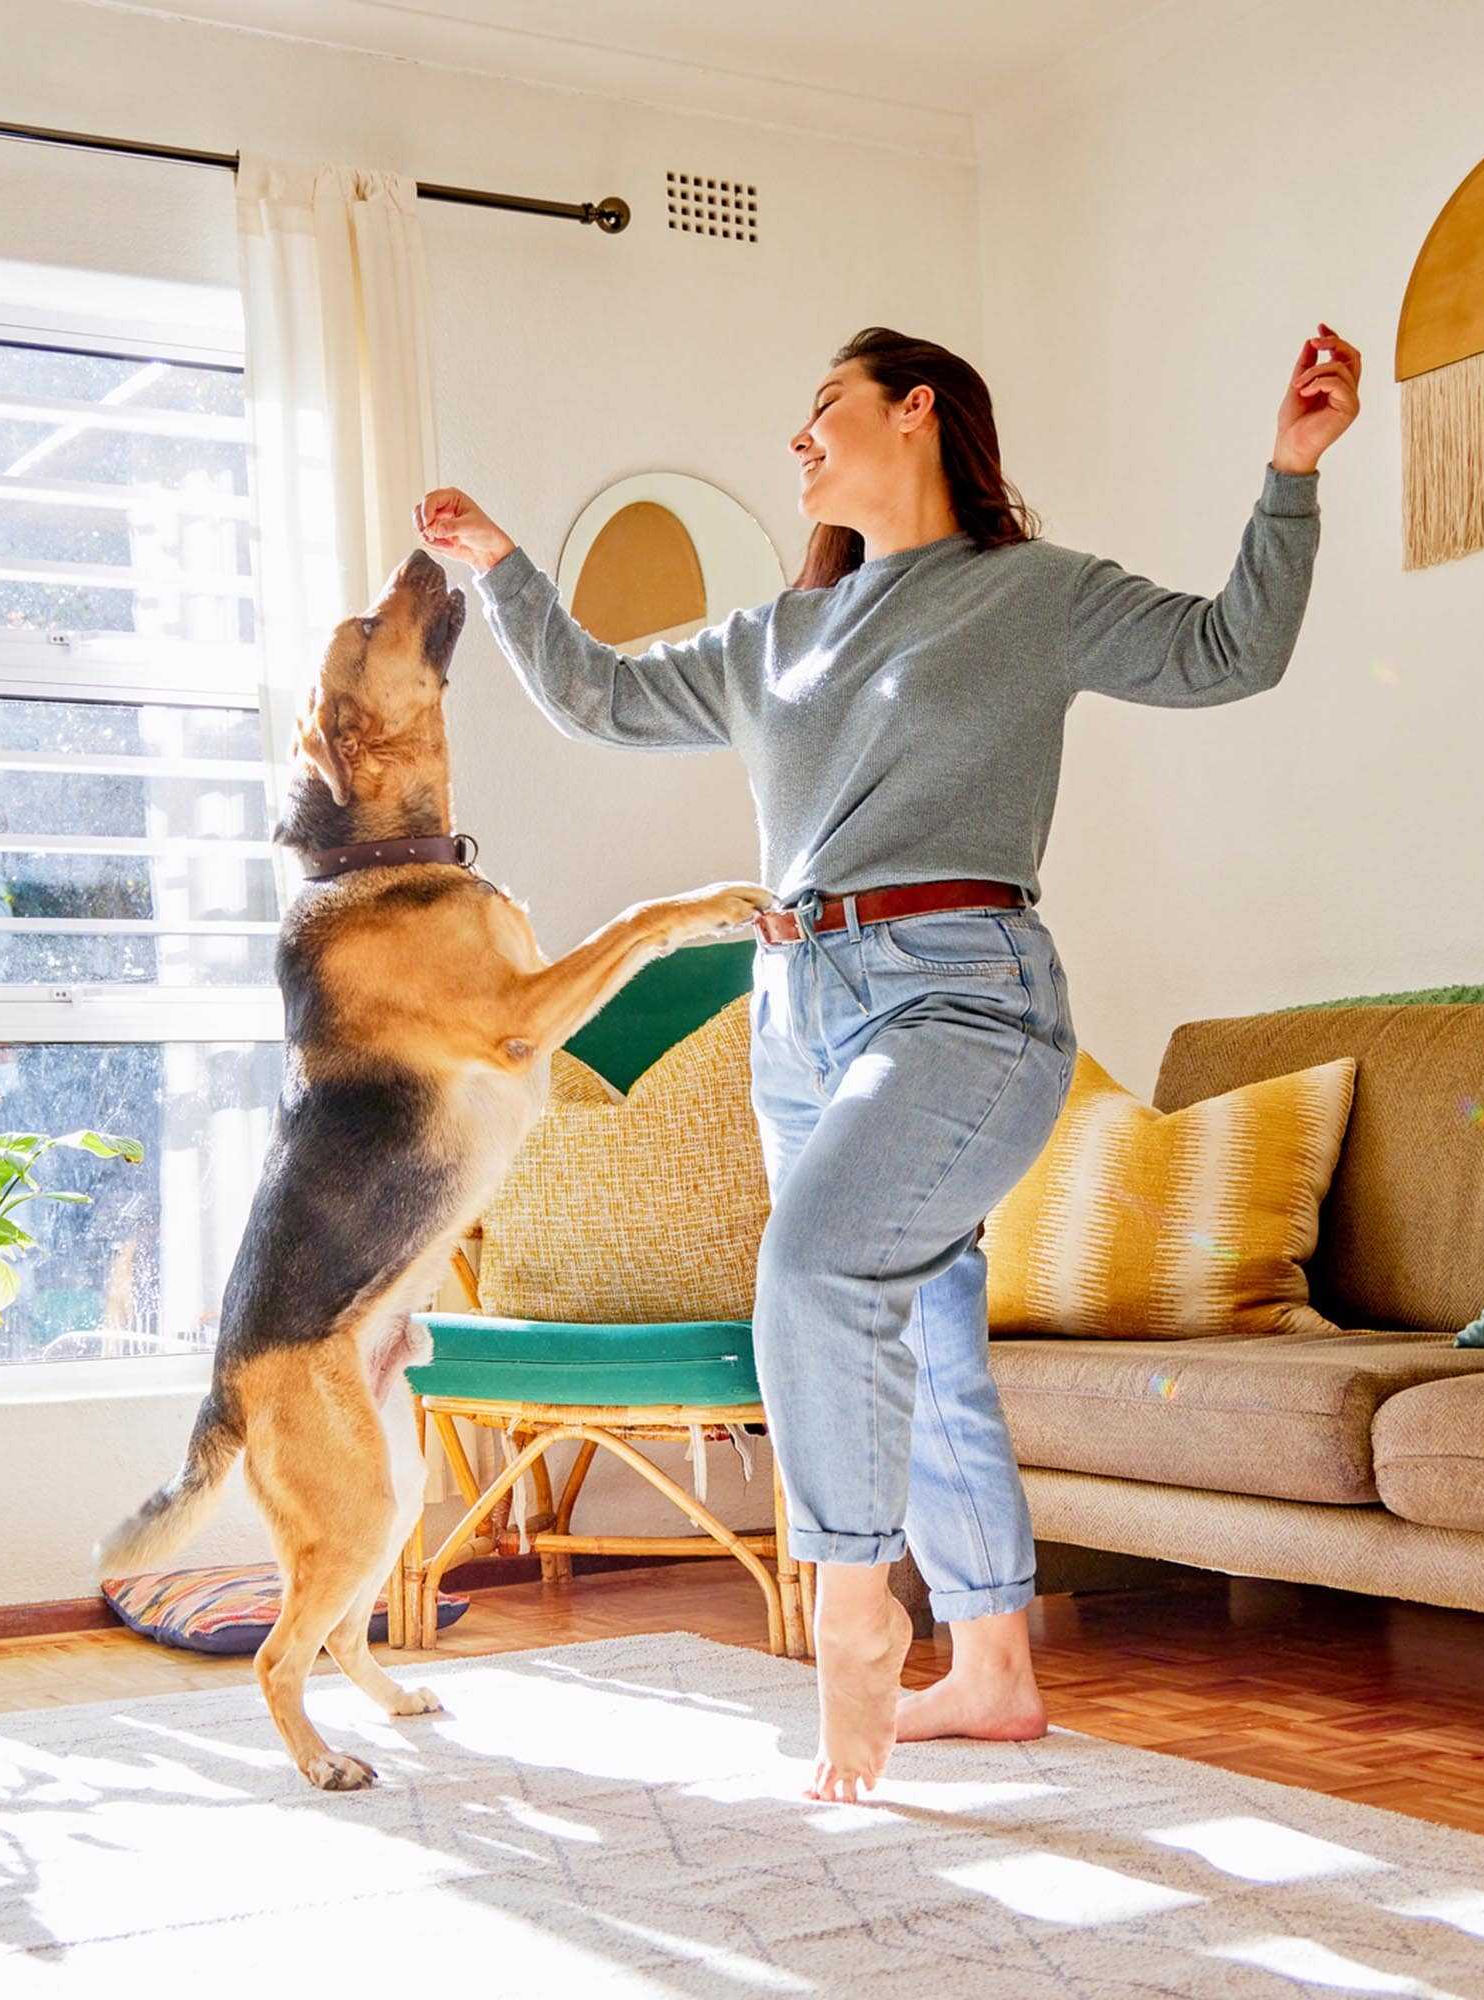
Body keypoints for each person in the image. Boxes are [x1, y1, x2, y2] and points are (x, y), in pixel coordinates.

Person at [414, 320, 1361, 1803]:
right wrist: (502, 567)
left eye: (823, 409)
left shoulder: (1029, 595)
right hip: (796, 1011)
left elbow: (1230, 651)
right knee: (920, 1334)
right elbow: (597, 695)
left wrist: (1291, 471)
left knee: (812, 1267)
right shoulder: (777, 638)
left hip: (962, 1001)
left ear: (917, 412)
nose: (798, 440)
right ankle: (994, 1672)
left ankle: (856, 1600)